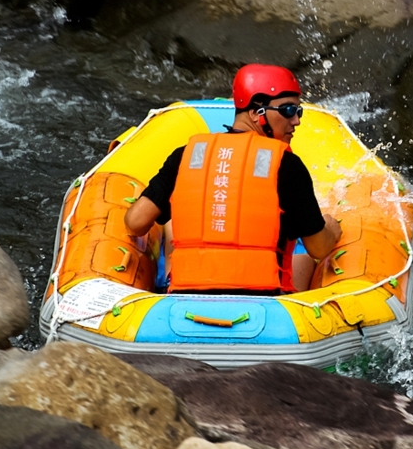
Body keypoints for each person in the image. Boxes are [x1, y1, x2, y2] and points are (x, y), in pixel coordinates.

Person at [124, 64, 342, 294]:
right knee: (302, 252)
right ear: (256, 113)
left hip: (185, 300)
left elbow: (135, 222)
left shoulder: (185, 155)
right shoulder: (287, 166)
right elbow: (318, 248)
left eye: (299, 111)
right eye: (288, 110)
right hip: (264, 304)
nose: (296, 121)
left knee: (171, 222)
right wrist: (332, 229)